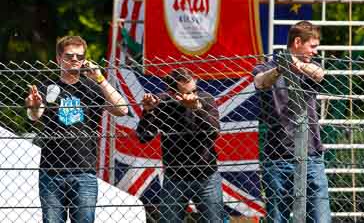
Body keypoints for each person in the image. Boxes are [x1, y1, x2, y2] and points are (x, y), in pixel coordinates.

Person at [25, 35, 128, 223]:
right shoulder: (46, 87)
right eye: (70, 56)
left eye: (80, 57)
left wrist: (100, 78)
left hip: (84, 171)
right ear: (58, 58)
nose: (75, 60)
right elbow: (34, 116)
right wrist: (33, 106)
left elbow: (122, 109)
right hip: (51, 171)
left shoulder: (93, 88)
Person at [253, 21, 331, 223]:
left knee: (321, 219)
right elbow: (260, 81)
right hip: (278, 158)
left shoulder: (312, 66)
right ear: (297, 42)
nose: (315, 51)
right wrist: (281, 68)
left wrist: (297, 66)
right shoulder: (267, 66)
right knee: (277, 218)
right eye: (312, 46)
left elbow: (319, 74)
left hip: (312, 156)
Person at [136, 68, 223, 223]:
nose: (191, 96)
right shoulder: (164, 103)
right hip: (175, 177)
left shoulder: (205, 98)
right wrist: (148, 112)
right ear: (172, 92)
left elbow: (214, 132)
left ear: (195, 81)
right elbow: (144, 136)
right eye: (185, 93)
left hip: (206, 175)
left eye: (193, 91)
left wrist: (196, 108)